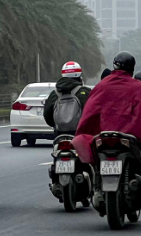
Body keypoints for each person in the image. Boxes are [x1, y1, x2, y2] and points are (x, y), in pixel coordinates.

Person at [71, 52, 141, 191]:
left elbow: (89, 112)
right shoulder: (138, 88)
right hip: (131, 139)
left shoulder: (101, 86)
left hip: (102, 137)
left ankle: (97, 188)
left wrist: (87, 130)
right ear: (132, 68)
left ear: (114, 66)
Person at [43, 61, 92, 197]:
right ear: (80, 75)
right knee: (91, 159)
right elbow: (92, 114)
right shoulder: (85, 92)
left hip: (59, 135)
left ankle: (56, 181)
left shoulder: (55, 94)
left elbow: (47, 115)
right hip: (80, 135)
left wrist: (57, 126)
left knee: (56, 155)